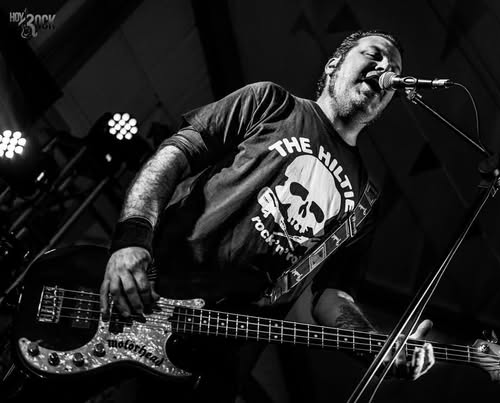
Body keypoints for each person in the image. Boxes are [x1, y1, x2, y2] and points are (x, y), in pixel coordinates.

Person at [99, 29, 434, 402]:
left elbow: (331, 296)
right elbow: (176, 154)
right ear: (333, 64)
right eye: (374, 55)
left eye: (395, 69)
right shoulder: (270, 102)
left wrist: (375, 346)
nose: (386, 69)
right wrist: (131, 240)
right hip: (149, 291)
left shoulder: (366, 200)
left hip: (218, 356)